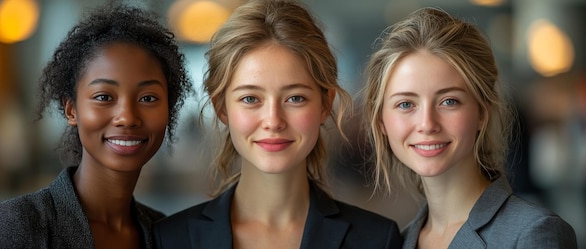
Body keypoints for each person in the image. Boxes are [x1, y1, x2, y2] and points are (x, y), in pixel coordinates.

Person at [153, 0, 402, 248]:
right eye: (250, 99)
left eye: (295, 98)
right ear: (221, 107)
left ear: (326, 104)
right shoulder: (171, 239)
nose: (273, 121)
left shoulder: (377, 240)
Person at [0, 3, 192, 249]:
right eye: (104, 97)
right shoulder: (16, 225)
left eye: (148, 98)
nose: (127, 117)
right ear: (71, 110)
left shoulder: (168, 235)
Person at [361, 7, 577, 249]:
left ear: (482, 113)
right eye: (405, 104)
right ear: (381, 121)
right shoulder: (398, 241)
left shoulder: (532, 233)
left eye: (449, 101)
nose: (427, 124)